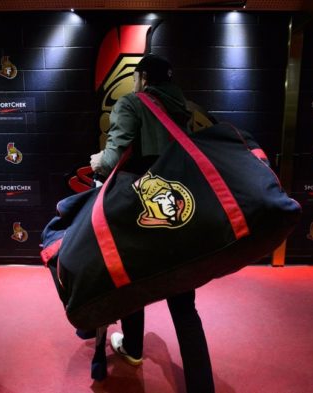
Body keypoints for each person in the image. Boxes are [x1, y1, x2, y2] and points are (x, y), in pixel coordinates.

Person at [90, 53, 215, 393]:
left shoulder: (132, 103)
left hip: (140, 213)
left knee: (132, 286)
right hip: (177, 212)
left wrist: (99, 161)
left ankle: (132, 349)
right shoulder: (182, 109)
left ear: (143, 78)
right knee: (185, 306)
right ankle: (202, 385)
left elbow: (114, 158)